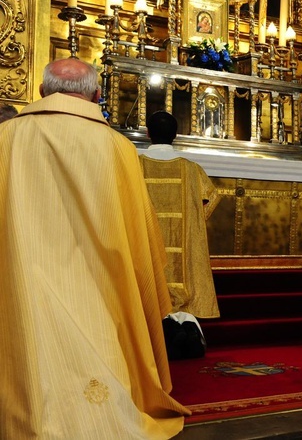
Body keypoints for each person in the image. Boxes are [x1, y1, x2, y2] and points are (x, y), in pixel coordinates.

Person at [0, 58, 189, 439]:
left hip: (21, 274)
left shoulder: (7, 138)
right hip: (99, 281)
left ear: (41, 92)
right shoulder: (117, 146)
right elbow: (140, 230)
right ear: (97, 95)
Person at [140, 110, 221, 321]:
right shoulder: (191, 169)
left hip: (144, 241)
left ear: (148, 133)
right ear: (175, 135)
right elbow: (212, 198)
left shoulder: (134, 164)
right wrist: (193, 220)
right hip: (182, 244)